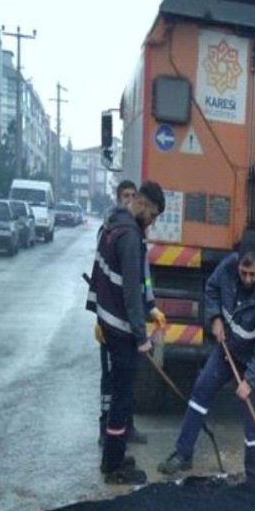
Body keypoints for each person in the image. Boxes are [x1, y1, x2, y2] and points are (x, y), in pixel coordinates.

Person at [159, 231, 255, 483]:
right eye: (243, 272)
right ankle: (183, 453)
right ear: (237, 263)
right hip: (228, 350)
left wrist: (250, 381)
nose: (247, 279)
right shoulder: (226, 269)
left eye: (252, 274)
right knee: (201, 391)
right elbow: (211, 288)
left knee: (254, 422)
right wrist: (214, 318)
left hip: (254, 360)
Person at [89, 181, 166, 485]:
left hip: (109, 322)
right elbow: (132, 295)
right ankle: (114, 467)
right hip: (121, 330)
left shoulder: (111, 225)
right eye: (154, 215)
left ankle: (114, 454)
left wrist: (150, 310)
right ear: (143, 205)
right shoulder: (130, 237)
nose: (153, 221)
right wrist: (141, 338)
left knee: (119, 397)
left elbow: (104, 277)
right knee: (122, 399)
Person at [93, 179, 149, 447]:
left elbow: (141, 281)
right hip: (114, 322)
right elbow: (105, 281)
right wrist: (98, 317)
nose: (128, 199)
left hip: (120, 319)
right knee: (113, 380)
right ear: (119, 199)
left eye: (131, 194)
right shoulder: (117, 233)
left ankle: (125, 427)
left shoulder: (132, 234)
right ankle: (108, 429)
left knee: (124, 385)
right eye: (124, 195)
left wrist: (152, 306)